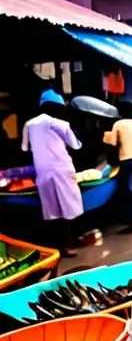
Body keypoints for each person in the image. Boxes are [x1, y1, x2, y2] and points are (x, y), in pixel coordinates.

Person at [22, 90, 82, 256]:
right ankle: (69, 244)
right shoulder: (61, 124)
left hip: (42, 173)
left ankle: (57, 245)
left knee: (52, 211)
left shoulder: (29, 125)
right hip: (62, 169)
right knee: (69, 209)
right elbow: (76, 145)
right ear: (57, 107)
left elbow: (25, 148)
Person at [105, 100, 132, 233]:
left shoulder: (118, 124)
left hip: (126, 159)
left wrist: (112, 161)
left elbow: (112, 145)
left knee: (131, 189)